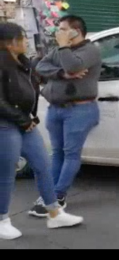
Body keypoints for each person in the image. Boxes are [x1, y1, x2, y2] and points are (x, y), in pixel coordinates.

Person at [0, 22, 84, 240]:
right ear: (11, 42)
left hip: (24, 123)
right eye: (23, 37)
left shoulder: (22, 63)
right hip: (6, 124)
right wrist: (21, 119)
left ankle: (54, 213)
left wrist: (29, 118)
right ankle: (2, 220)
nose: (27, 41)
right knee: (7, 173)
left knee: (43, 165)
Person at [31, 15, 101, 217]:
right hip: (56, 109)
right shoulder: (59, 51)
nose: (58, 33)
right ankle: (48, 195)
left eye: (62, 29)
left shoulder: (90, 50)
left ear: (75, 32)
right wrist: (62, 74)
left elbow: (73, 66)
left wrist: (63, 50)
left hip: (79, 109)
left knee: (71, 153)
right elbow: (40, 66)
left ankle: (58, 197)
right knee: (57, 152)